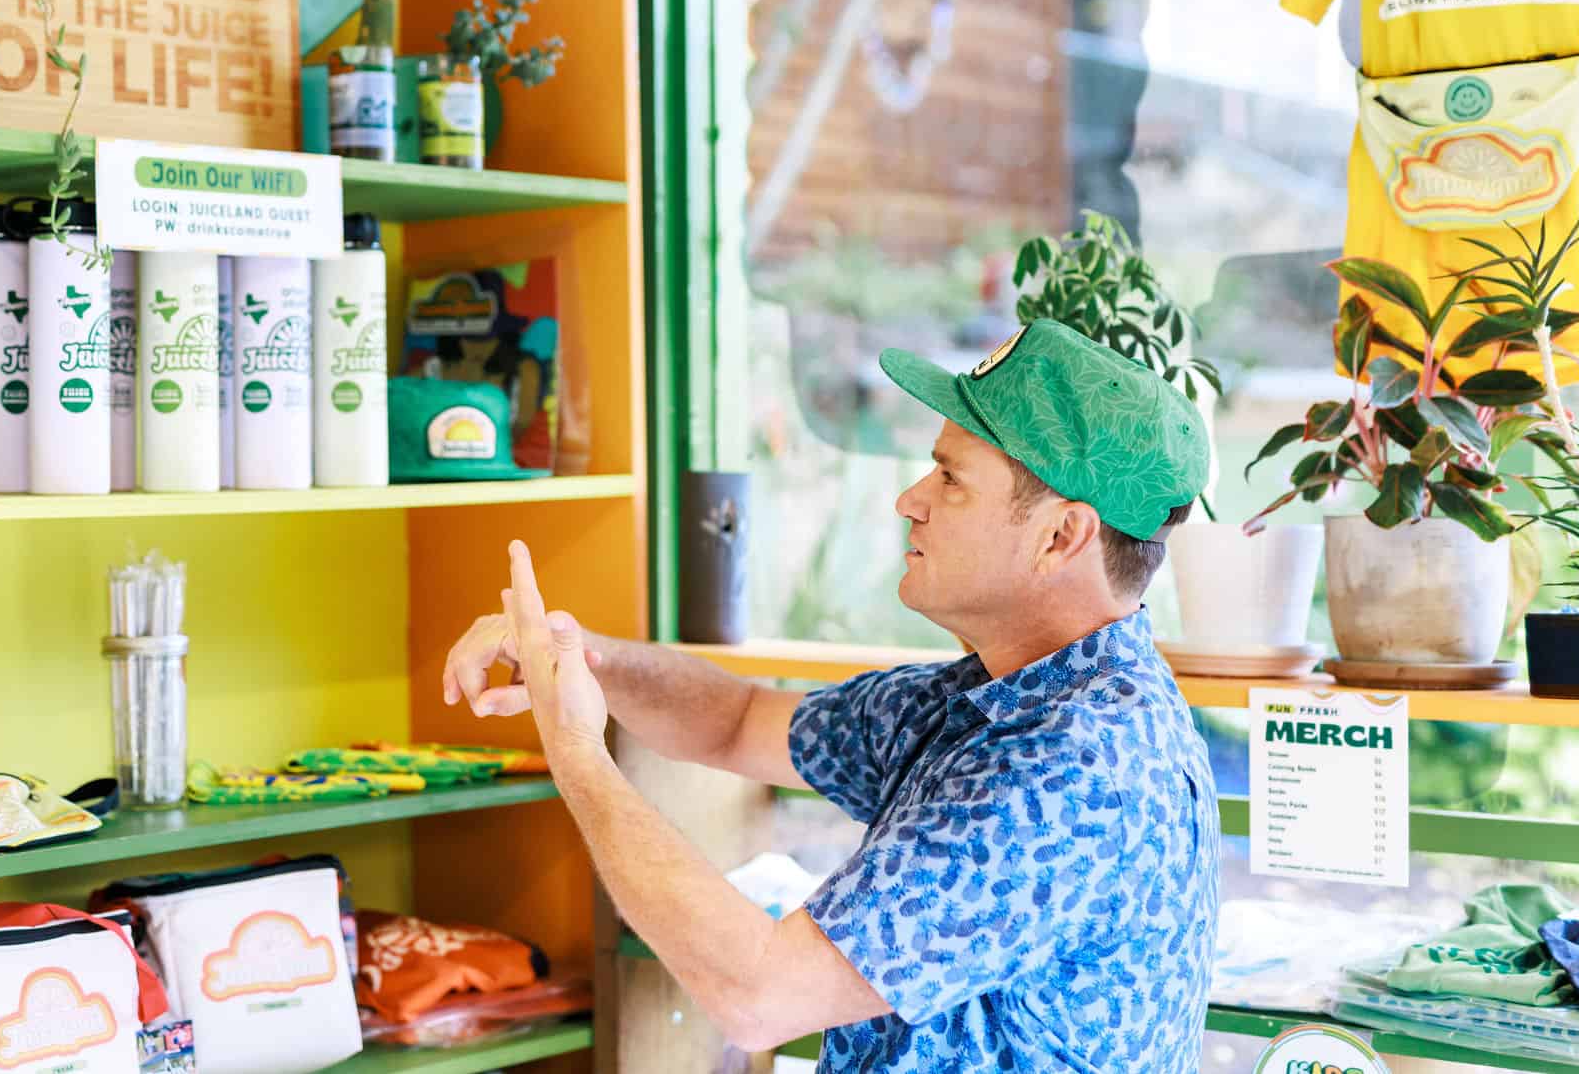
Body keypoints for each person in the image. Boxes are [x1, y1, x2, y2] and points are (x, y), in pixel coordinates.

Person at [444, 319, 1220, 1070]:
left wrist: (576, 751)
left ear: (1061, 538)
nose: (909, 499)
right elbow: (737, 721)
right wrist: (580, 658)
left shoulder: (1074, 768)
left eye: (952, 480)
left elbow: (760, 995)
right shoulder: (987, 697)